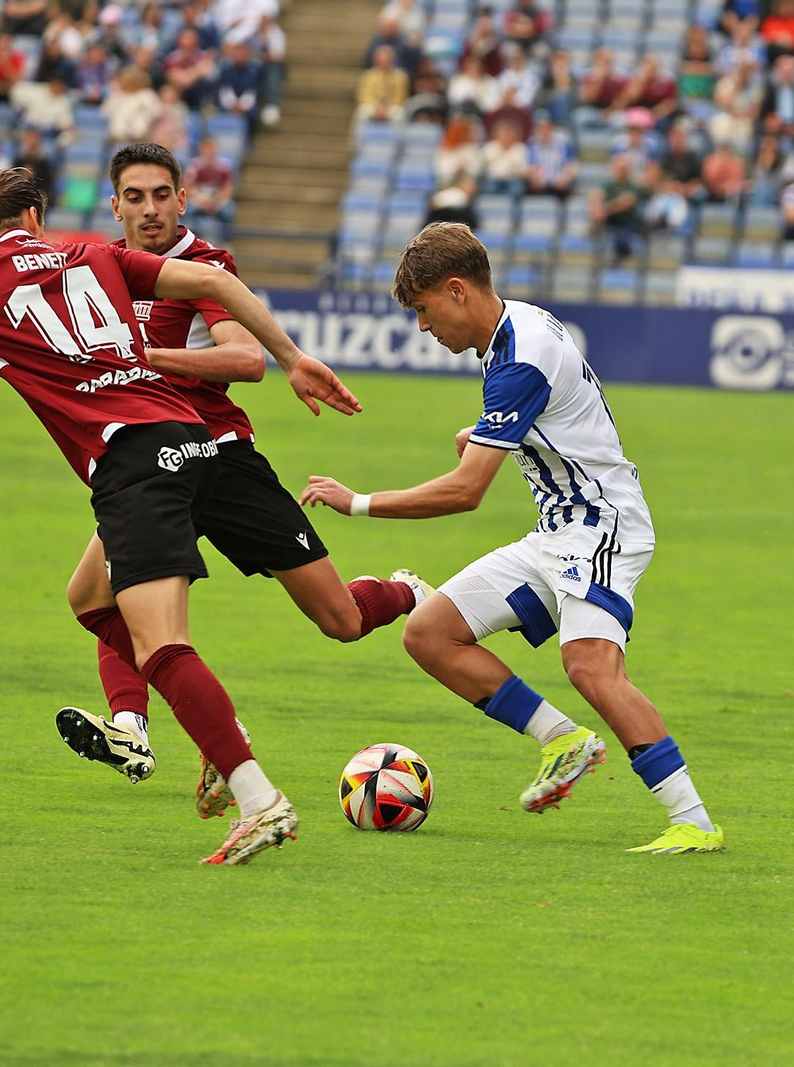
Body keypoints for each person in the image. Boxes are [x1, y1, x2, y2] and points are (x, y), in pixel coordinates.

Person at [0, 167, 361, 864]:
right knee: (90, 598)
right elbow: (215, 283)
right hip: (192, 438)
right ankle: (216, 725)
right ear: (35, 219)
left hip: (133, 460)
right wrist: (294, 357)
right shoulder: (92, 252)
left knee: (162, 647)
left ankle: (258, 798)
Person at [299, 222, 725, 855]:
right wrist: (487, 433)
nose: (423, 326)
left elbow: (465, 491)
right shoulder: (515, 328)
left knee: (591, 667)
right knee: (429, 633)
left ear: (457, 290)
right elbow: (553, 410)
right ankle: (563, 739)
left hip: (600, 524)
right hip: (557, 530)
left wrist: (358, 502)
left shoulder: (519, 354)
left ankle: (694, 823)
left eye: (424, 310)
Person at [56, 143, 428, 792]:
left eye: (161, 195)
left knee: (340, 619)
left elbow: (245, 359)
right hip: (152, 463)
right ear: (114, 206)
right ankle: (133, 727)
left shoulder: (205, 267)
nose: (150, 209)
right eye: (135, 197)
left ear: (183, 199)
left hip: (222, 459)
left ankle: (405, 592)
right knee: (101, 593)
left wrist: (148, 357)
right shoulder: (103, 269)